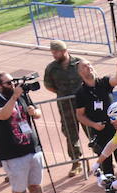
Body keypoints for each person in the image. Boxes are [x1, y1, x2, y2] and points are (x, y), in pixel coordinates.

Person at [73, 58, 117, 176]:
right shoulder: (80, 93)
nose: (89, 67)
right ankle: (110, 191)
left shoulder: (104, 82)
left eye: (89, 64)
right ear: (80, 72)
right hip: (99, 132)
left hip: (116, 129)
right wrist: (93, 125)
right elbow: (80, 115)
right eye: (85, 66)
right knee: (106, 165)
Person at [42, 40, 86, 176]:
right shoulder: (51, 68)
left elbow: (91, 77)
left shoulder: (80, 63)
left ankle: (102, 158)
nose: (54, 55)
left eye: (56, 52)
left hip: (84, 103)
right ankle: (76, 162)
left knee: (92, 130)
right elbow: (49, 85)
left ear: (64, 50)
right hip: (66, 105)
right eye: (53, 52)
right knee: (70, 134)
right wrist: (63, 93)